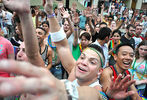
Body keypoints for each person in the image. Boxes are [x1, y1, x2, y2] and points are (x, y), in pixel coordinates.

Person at [0, 0, 140, 100]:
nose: (83, 62)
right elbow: (61, 45)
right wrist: (43, 14)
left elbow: (90, 95)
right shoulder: (75, 69)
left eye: (92, 62)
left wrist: (58, 88)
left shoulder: (96, 90)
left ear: (99, 71)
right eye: (82, 57)